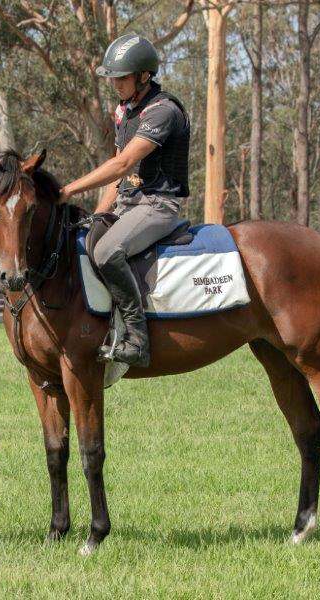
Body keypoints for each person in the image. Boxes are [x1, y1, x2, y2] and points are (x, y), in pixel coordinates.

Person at [59, 34, 191, 369]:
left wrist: (69, 189)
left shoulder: (163, 112)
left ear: (144, 76)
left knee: (106, 251)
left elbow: (122, 164)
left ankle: (137, 339)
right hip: (128, 204)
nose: (115, 84)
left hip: (158, 205)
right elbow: (119, 180)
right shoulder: (125, 112)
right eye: (112, 78)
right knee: (85, 242)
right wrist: (96, 216)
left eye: (122, 77)